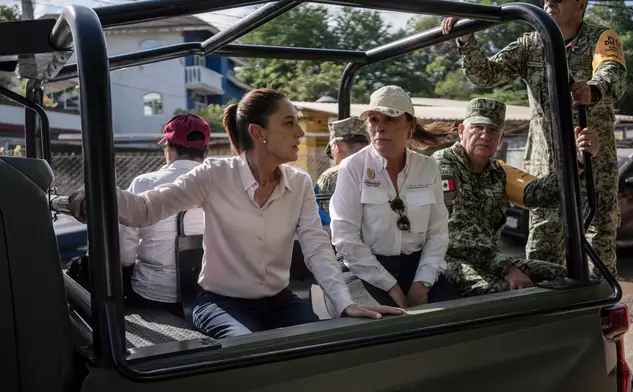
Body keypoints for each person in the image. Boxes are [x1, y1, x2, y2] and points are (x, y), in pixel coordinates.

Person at [68, 88, 404, 339]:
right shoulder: (214, 174)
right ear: (258, 133)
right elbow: (144, 209)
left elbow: (317, 248)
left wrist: (345, 303)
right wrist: (96, 197)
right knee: (244, 351)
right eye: (289, 123)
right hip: (220, 302)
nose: (300, 133)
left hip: (279, 300)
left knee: (319, 347)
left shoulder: (299, 183)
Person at [441, 0, 627, 277]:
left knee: (597, 242)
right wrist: (467, 40)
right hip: (546, 166)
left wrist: (594, 89)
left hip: (593, 164)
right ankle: (547, 315)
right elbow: (486, 74)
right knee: (543, 245)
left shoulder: (601, 36)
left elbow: (613, 73)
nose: (549, 0)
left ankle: (597, 312)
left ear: (580, 3)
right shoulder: (532, 43)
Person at [431, 98, 599, 295]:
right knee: (508, 291)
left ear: (500, 138)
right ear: (461, 131)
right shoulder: (444, 163)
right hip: (447, 261)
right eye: (477, 127)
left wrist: (579, 161)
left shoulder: (497, 172)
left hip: (489, 261)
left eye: (493, 130)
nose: (485, 135)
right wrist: (508, 269)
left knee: (566, 275)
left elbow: (537, 193)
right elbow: (456, 229)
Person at [330, 85, 458, 309]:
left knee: (449, 315)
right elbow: (345, 238)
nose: (380, 128)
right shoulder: (353, 167)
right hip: (364, 268)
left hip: (416, 266)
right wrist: (392, 288)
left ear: (410, 126)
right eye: (373, 120)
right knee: (380, 323)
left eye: (389, 119)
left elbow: (438, 232)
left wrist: (422, 283)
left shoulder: (427, 167)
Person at [118, 114, 208, 317]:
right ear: (206, 152)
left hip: (151, 293)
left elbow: (125, 250)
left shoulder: (143, 183)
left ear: (168, 149)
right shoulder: (219, 184)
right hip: (208, 296)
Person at [316, 117, 370, 216]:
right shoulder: (381, 168)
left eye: (331, 151)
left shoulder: (330, 176)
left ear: (338, 147)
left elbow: (323, 216)